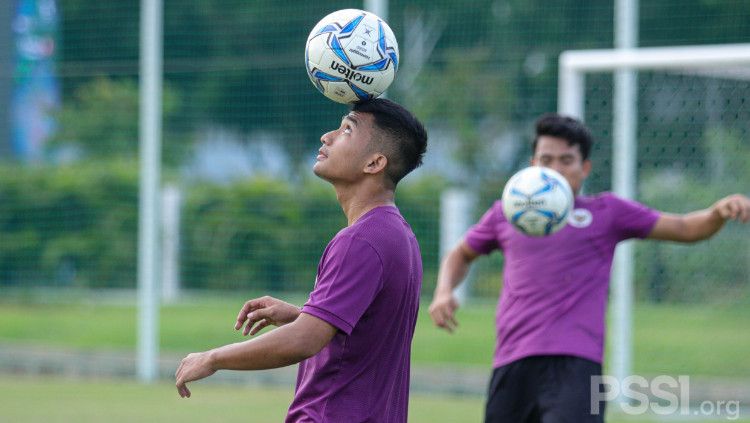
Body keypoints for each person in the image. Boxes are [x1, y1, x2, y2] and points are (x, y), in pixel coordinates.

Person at [428, 113, 750, 423]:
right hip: (512, 361)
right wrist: (443, 292)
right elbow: (461, 253)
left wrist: (717, 213)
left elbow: (683, 228)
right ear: (532, 166)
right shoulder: (505, 213)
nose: (555, 169)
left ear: (584, 168)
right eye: (546, 159)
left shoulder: (607, 212)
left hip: (577, 364)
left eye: (566, 161)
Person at [175, 98, 428, 422]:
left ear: (374, 163)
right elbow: (367, 335)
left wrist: (213, 358)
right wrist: (307, 315)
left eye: (347, 130)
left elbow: (304, 341)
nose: (327, 136)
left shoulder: (359, 241)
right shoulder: (398, 234)